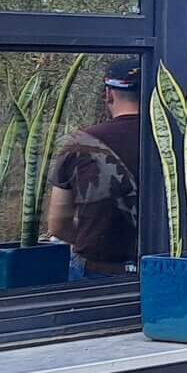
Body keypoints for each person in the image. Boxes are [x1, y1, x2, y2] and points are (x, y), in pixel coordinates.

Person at [43, 57, 143, 276]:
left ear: (109, 94)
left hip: (97, 269)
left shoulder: (82, 142)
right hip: (162, 269)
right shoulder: (174, 141)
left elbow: (58, 224)